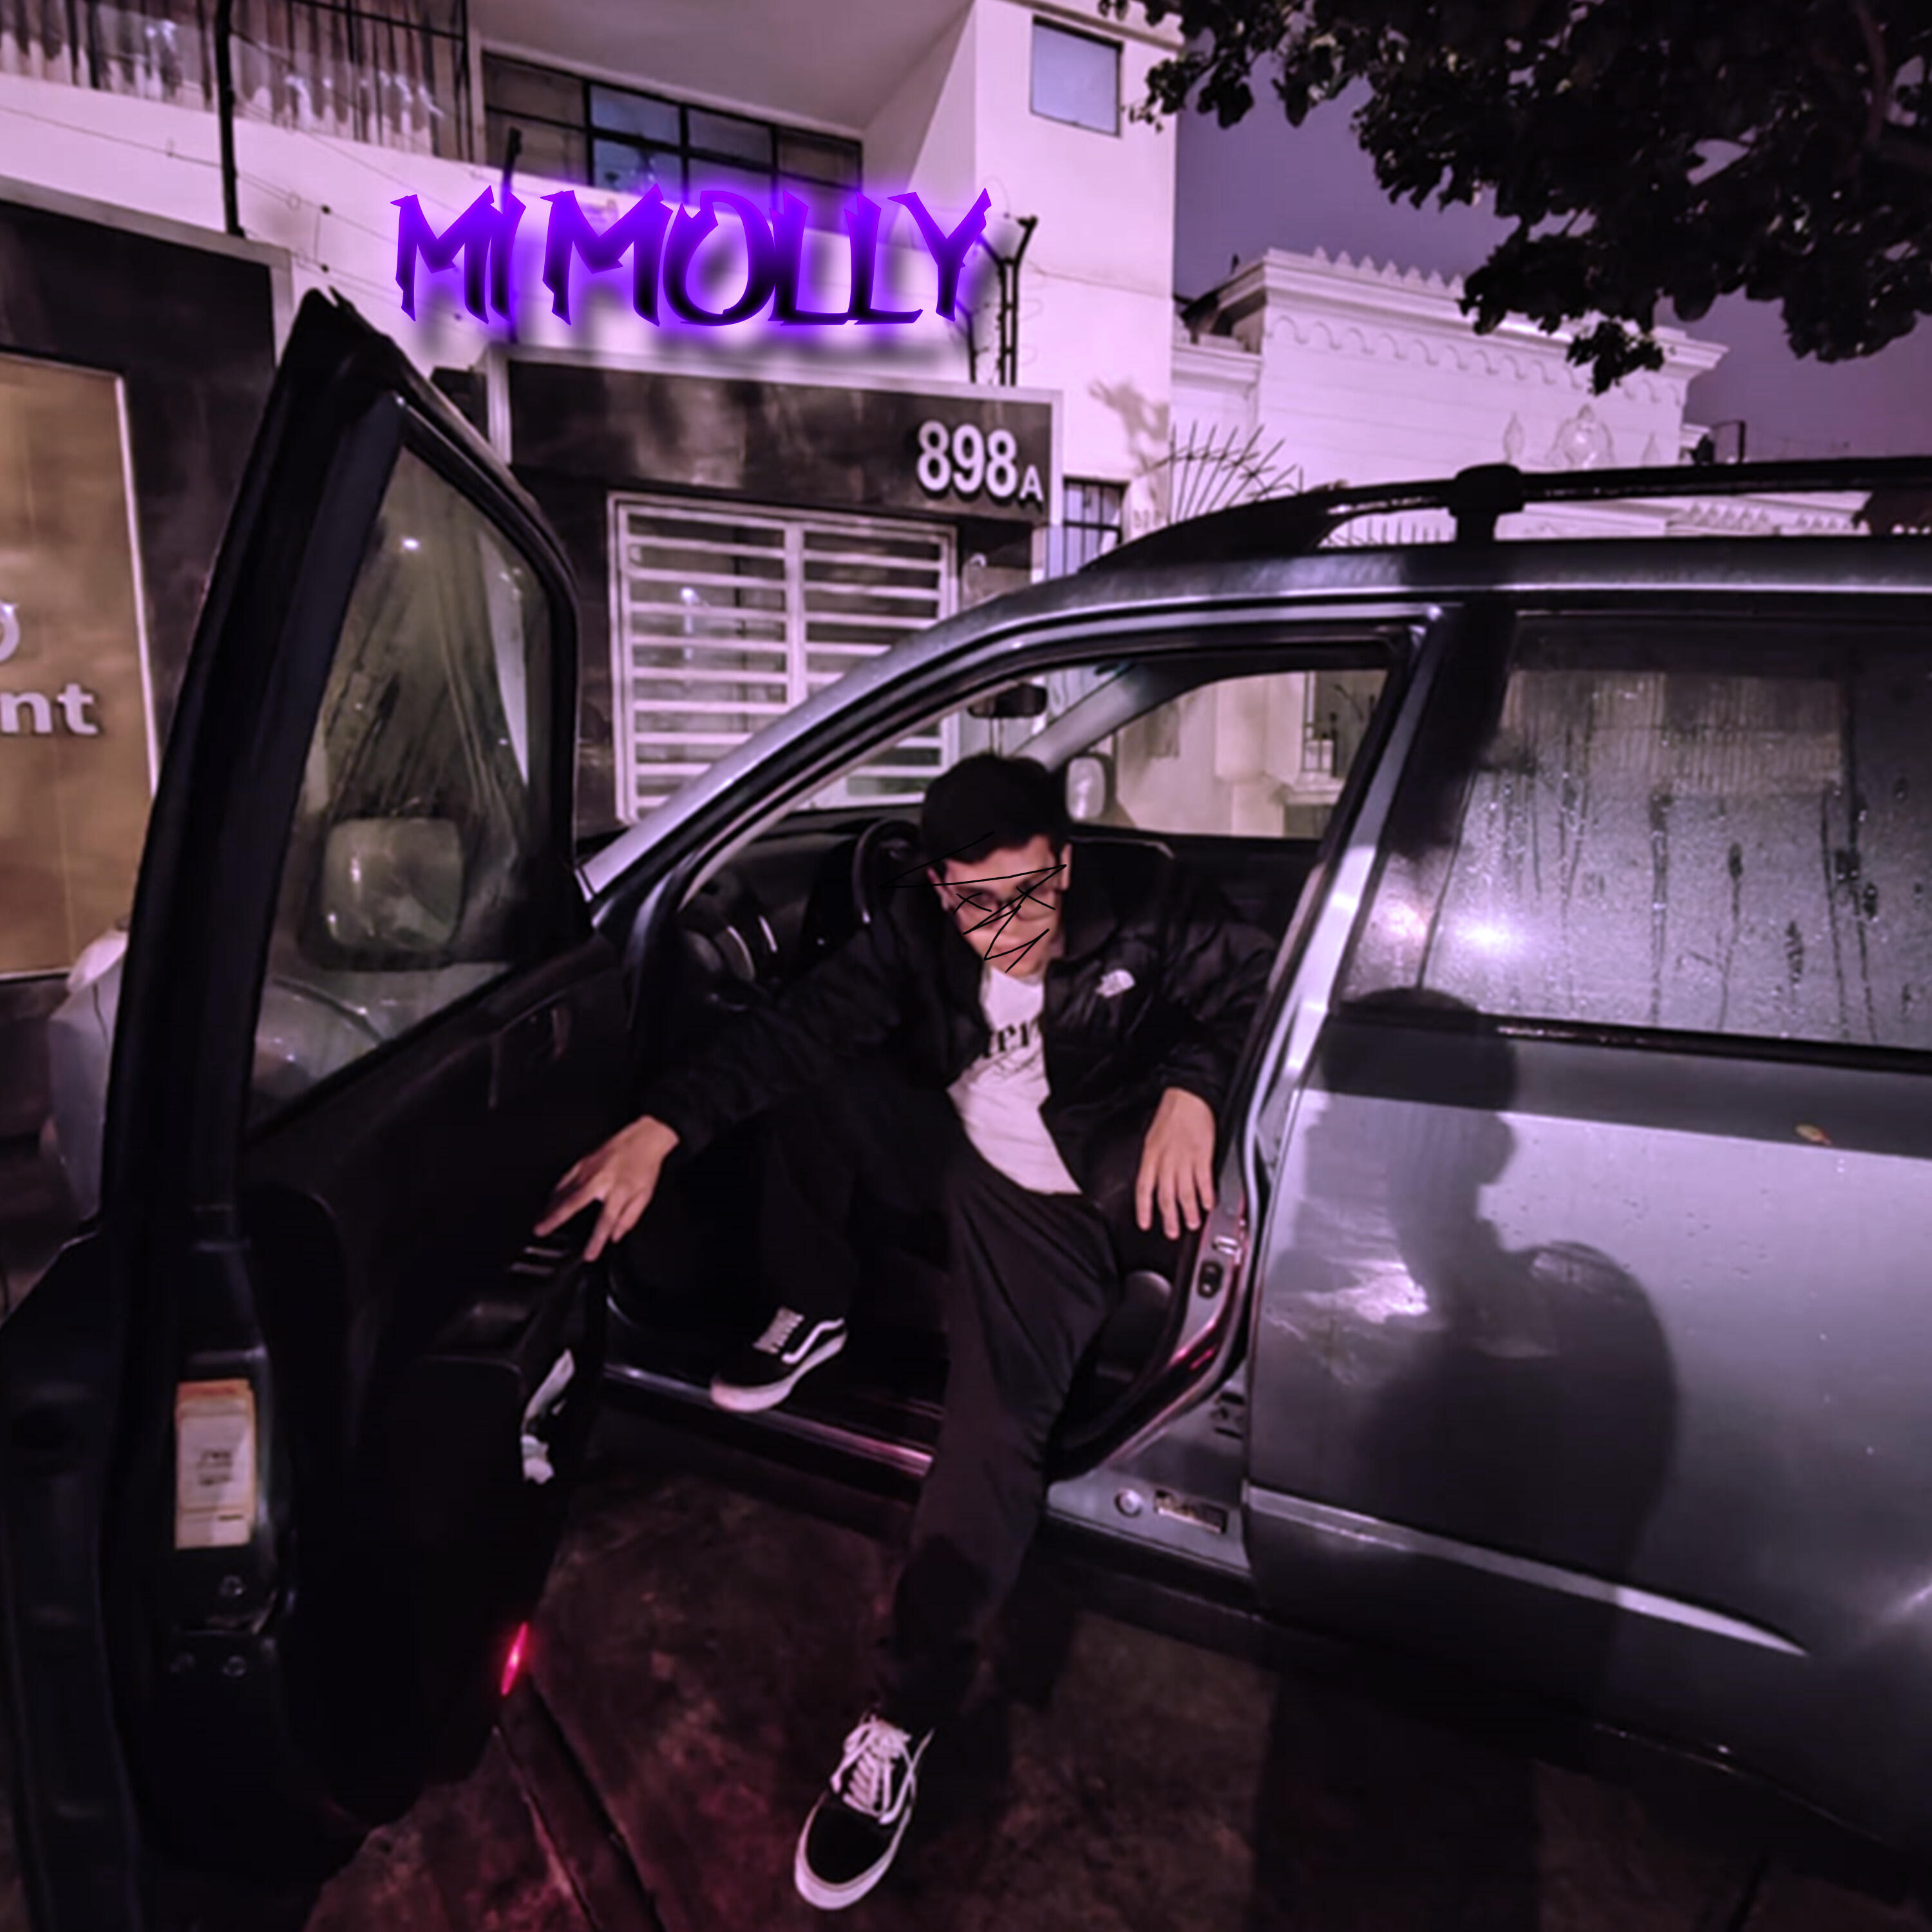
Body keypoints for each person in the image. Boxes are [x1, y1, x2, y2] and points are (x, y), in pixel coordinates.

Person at [537, 753, 1274, 1909]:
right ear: (937, 888)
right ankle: (818, 1307)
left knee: (989, 1442)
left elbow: (1263, 987)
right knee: (809, 1074)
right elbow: (798, 1028)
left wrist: (1194, 1081)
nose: (1009, 929)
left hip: (1055, 1207)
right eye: (979, 904)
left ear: (1064, 865)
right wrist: (660, 1128)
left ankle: (901, 1716)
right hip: (953, 1148)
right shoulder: (919, 932)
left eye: (1030, 894)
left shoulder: (1149, 904)